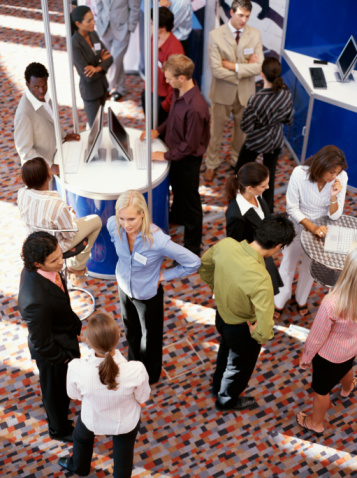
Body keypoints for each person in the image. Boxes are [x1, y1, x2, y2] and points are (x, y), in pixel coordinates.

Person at [199, 214, 295, 411]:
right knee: (238, 367)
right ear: (278, 246)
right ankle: (226, 399)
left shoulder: (226, 245)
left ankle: (217, 385)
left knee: (225, 350)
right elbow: (265, 325)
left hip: (221, 317)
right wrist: (258, 335)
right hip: (242, 329)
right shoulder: (261, 279)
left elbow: (204, 266)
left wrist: (217, 288)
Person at [107, 190, 201, 384]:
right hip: (124, 288)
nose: (126, 225)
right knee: (130, 331)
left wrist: (164, 275)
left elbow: (193, 262)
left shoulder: (157, 240)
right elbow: (115, 239)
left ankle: (150, 376)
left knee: (149, 339)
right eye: (122, 218)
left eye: (131, 219)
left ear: (143, 213)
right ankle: (134, 366)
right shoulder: (113, 225)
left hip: (148, 294)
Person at [59, 312, 150, 477]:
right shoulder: (136, 369)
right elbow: (142, 398)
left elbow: (75, 395)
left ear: (88, 341)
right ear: (118, 337)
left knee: (80, 437)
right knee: (124, 455)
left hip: (92, 418)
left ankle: (79, 467)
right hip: (125, 423)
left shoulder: (77, 368)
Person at [140, 54, 210, 256]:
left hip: (186, 160)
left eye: (169, 78)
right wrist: (158, 131)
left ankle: (192, 248)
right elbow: (172, 118)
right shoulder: (180, 91)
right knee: (178, 191)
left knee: (191, 202)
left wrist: (165, 155)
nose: (166, 82)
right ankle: (177, 216)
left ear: (182, 78)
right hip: (176, 154)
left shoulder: (196, 108)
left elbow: (190, 145)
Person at [18, 232, 82, 441]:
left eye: (59, 255)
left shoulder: (43, 270)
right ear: (38, 263)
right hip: (53, 353)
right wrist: (63, 358)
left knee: (62, 388)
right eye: (54, 260)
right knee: (53, 394)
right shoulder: (35, 301)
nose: (60, 262)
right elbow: (42, 343)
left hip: (62, 334)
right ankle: (59, 429)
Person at [274, 145, 348, 319]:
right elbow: (291, 207)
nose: (334, 177)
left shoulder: (341, 178)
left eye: (337, 173)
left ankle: (301, 299)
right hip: (298, 225)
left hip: (321, 230)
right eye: (331, 172)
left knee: (309, 268)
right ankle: (279, 301)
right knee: (287, 265)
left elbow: (335, 215)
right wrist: (312, 227)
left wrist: (334, 197)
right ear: (320, 166)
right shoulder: (299, 173)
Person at [297, 245, 357, 435]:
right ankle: (348, 388)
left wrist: (306, 358)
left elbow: (316, 337)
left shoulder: (331, 303)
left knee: (321, 390)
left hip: (328, 356)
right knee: (347, 366)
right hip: (352, 347)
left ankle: (315, 423)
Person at [204, 0, 264, 181]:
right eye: (240, 15)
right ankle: (211, 164)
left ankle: (236, 161)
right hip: (222, 93)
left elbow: (259, 67)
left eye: (247, 16)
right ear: (231, 12)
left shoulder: (255, 35)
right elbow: (216, 70)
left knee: (242, 132)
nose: (244, 20)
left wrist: (233, 66)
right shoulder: (215, 35)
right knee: (216, 133)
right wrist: (246, 69)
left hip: (245, 95)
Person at [17, 157, 102, 276]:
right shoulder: (56, 204)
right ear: (49, 174)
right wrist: (72, 217)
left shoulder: (21, 194)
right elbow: (69, 234)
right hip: (54, 247)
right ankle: (77, 266)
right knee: (96, 221)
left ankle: (76, 266)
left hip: (34, 243)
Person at [233, 57, 294, 212]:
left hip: (256, 140)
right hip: (275, 140)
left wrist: (248, 109)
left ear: (262, 74)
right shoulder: (286, 94)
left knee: (240, 169)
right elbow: (288, 120)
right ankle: (268, 212)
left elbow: (246, 127)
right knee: (269, 178)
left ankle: (238, 201)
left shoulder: (256, 100)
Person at [226, 162, 283, 294]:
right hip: (251, 264)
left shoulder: (256, 195)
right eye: (264, 185)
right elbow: (236, 249)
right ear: (250, 188)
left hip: (263, 254)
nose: (268, 187)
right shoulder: (237, 216)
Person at [14, 62, 80, 174]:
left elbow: (51, 121)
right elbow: (24, 151)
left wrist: (64, 136)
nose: (41, 90)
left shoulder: (44, 95)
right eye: (36, 87)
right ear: (27, 84)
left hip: (57, 155)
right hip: (43, 171)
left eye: (44, 85)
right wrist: (50, 166)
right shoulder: (24, 113)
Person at [141, 7, 184, 126]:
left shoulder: (175, 50)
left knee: (159, 135)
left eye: (151, 23)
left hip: (162, 99)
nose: (148, 26)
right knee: (150, 128)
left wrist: (165, 105)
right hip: (149, 90)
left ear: (162, 28)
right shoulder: (153, 38)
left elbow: (176, 84)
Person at [71, 6, 113, 127]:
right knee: (95, 126)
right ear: (78, 23)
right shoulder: (75, 44)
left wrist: (97, 68)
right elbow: (88, 76)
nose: (93, 23)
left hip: (102, 87)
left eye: (93, 19)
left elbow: (109, 58)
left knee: (99, 122)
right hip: (90, 92)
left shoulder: (93, 34)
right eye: (89, 21)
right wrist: (102, 64)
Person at [95, 0, 140, 102]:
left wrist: (130, 27)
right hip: (104, 28)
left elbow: (135, 8)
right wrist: (99, 21)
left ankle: (107, 88)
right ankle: (121, 89)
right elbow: (99, 4)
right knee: (113, 61)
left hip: (122, 29)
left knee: (114, 61)